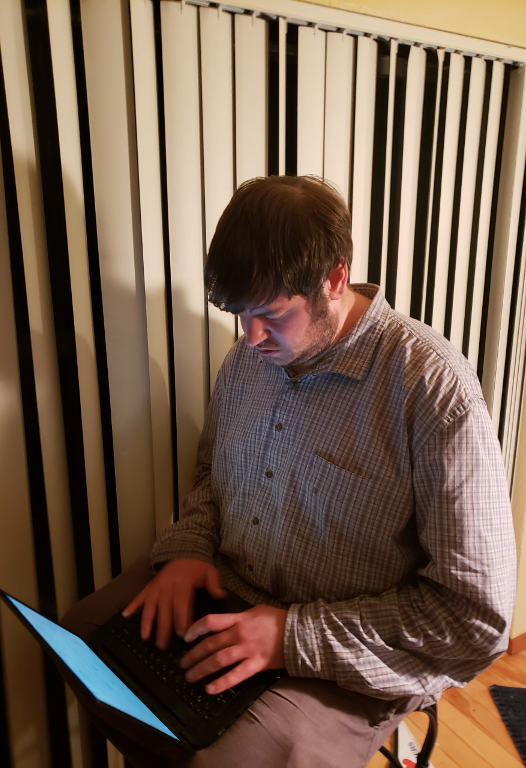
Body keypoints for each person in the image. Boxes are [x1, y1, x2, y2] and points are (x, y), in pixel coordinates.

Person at [63, 175, 516, 767]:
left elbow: (473, 618)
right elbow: (211, 476)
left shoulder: (431, 389)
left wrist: (291, 637)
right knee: (83, 638)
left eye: (271, 314)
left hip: (350, 655)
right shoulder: (250, 357)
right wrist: (188, 551)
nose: (249, 338)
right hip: (231, 590)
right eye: (239, 315)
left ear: (333, 278)